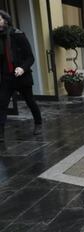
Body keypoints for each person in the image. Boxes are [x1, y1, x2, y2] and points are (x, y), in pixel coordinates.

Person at [0, 10, 42, 140]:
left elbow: (30, 57)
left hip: (21, 76)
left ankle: (38, 123)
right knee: (2, 104)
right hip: (7, 77)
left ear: (5, 20)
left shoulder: (18, 35)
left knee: (30, 101)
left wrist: (22, 68)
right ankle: (1, 133)